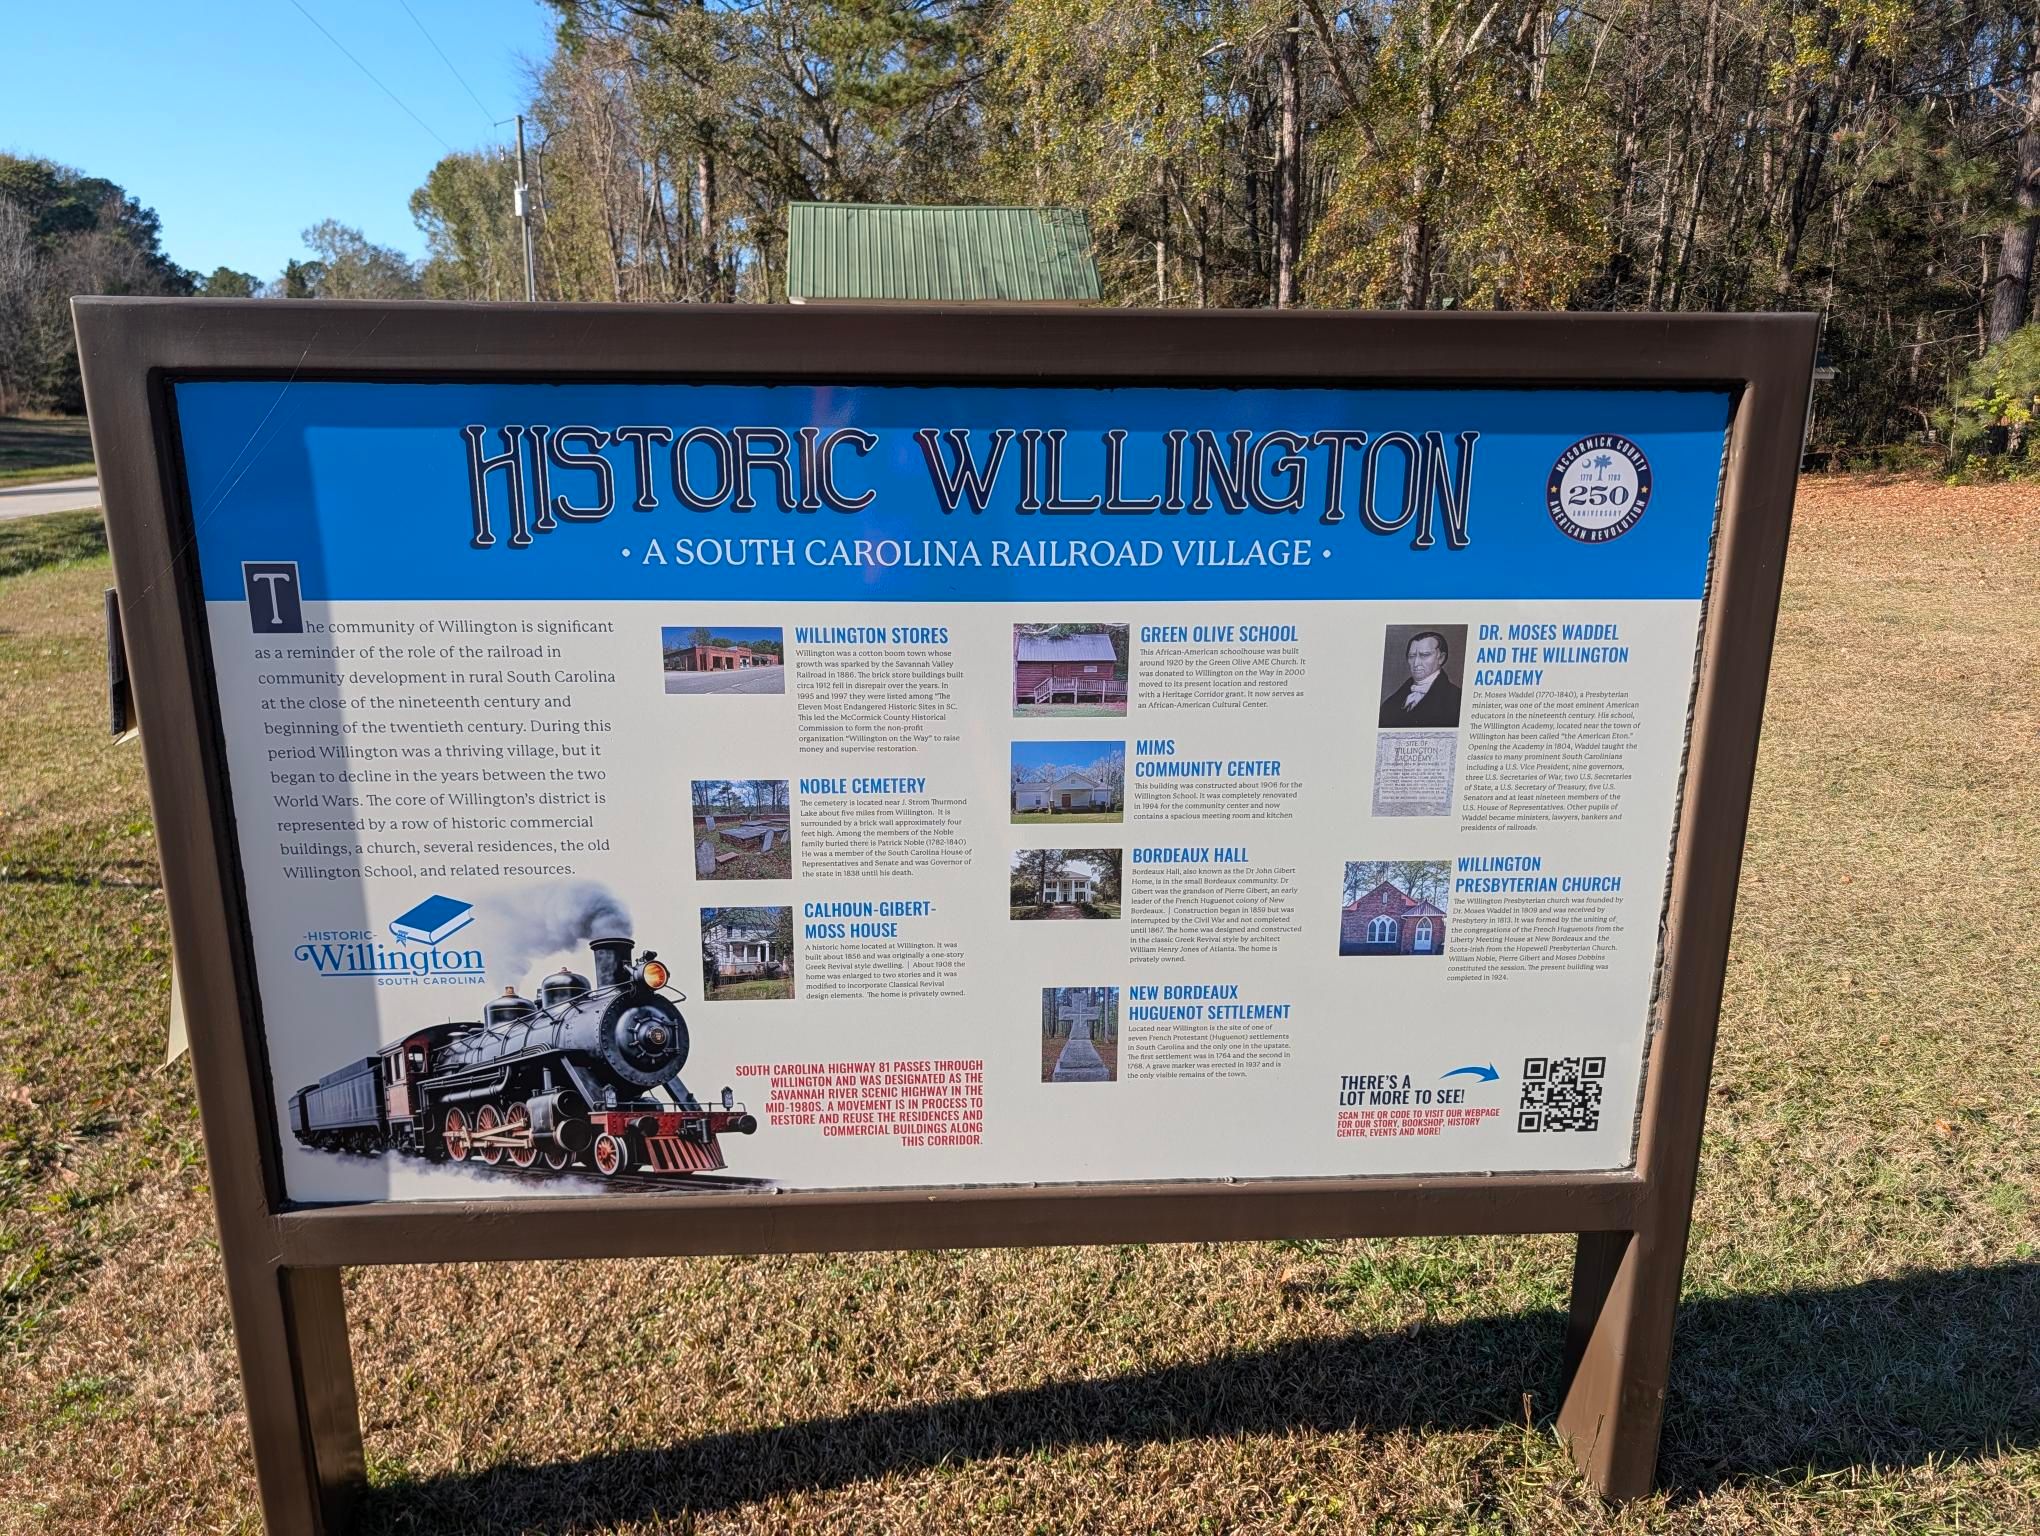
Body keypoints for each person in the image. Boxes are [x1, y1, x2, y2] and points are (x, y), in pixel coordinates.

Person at [1378, 629, 1462, 728]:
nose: (1416, 663)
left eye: (1425, 655)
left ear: (1441, 658)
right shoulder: (1392, 702)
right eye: (1412, 656)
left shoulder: (1455, 699)